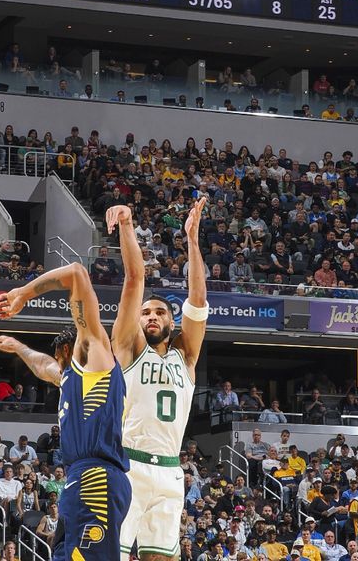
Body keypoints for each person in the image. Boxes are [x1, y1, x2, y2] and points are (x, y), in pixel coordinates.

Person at [0, 260, 131, 561]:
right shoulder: (70, 378)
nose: (55, 365)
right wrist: (17, 347)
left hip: (97, 477)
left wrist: (23, 294)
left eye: (58, 357)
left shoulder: (94, 354)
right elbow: (45, 367)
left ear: (66, 350)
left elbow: (77, 272)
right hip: (80, 478)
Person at [108, 199, 208, 561]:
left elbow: (197, 301)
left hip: (169, 470)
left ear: (171, 321)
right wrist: (127, 224)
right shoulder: (129, 348)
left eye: (160, 312)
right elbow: (135, 279)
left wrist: (193, 242)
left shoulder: (187, 356)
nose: (151, 316)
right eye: (146, 312)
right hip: (128, 466)